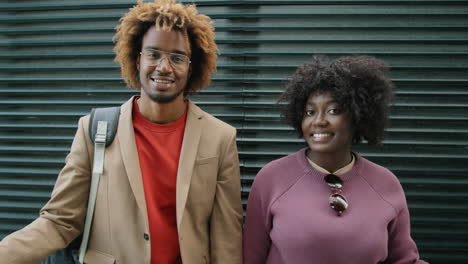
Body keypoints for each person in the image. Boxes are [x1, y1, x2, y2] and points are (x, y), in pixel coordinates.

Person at [0, 0, 243, 263]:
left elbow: (226, 240)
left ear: (192, 67)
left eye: (177, 57)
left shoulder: (220, 138)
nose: (164, 67)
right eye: (153, 54)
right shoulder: (94, 129)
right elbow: (60, 222)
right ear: (136, 59)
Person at [243, 55, 428, 264]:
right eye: (310, 112)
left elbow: (404, 261)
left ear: (358, 115)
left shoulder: (385, 183)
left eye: (333, 110)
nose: (319, 121)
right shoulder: (271, 179)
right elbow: (251, 259)